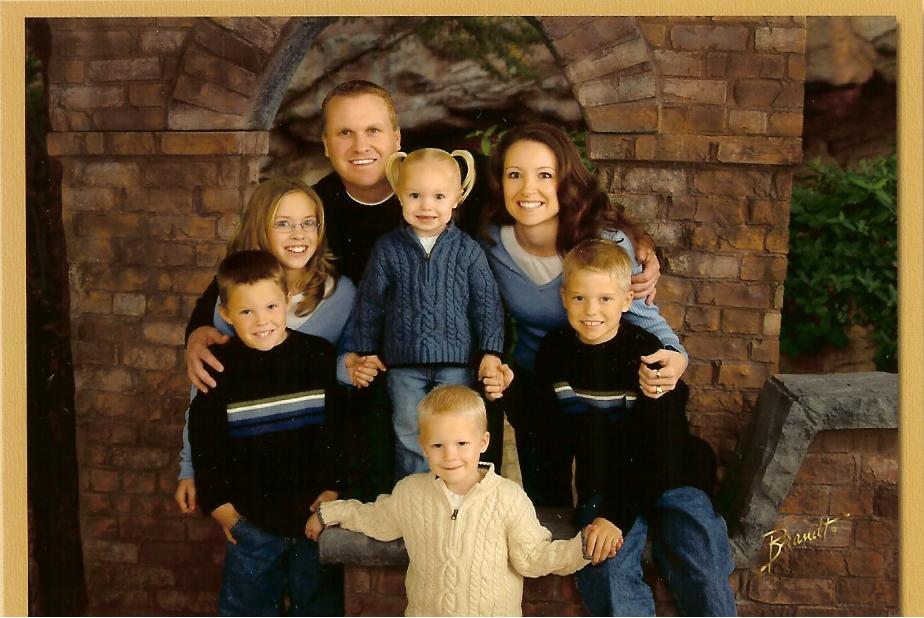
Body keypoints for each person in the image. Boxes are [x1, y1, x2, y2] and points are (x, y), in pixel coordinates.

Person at [478, 122, 687, 506]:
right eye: (514, 175)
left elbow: (644, 314)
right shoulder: (489, 243)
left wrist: (676, 355)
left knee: (606, 501)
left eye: (545, 175)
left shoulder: (605, 243)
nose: (528, 189)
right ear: (499, 182)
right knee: (545, 502)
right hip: (538, 383)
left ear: (566, 181)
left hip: (601, 383)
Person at [535, 239, 736, 617]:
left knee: (702, 559)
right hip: (604, 481)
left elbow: (659, 448)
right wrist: (564, 507)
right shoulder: (555, 352)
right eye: (579, 298)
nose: (591, 310)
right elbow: (549, 437)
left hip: (671, 476)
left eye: (605, 299)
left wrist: (617, 516)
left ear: (627, 300)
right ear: (564, 298)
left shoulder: (649, 353)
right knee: (606, 565)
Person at [308, 385, 613, 617]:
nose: (450, 455)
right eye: (437, 445)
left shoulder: (508, 497)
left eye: (462, 443)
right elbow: (374, 518)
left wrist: (581, 548)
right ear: (423, 447)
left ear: (483, 442)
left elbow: (533, 557)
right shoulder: (410, 493)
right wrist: (329, 512)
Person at [174, 178, 357, 514]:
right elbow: (204, 387)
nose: (298, 235)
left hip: (306, 462)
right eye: (283, 224)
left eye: (308, 223)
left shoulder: (340, 295)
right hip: (246, 466)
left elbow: (340, 373)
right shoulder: (235, 297)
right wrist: (189, 468)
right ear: (260, 229)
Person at [188, 249, 345, 616]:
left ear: (286, 301)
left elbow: (339, 432)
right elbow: (205, 443)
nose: (262, 321)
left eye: (271, 307)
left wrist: (333, 489)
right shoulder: (219, 369)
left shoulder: (317, 356)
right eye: (246, 312)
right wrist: (221, 508)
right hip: (251, 524)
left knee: (319, 609)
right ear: (226, 314)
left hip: (313, 520)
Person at [351, 147, 511, 479]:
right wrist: (366, 349)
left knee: (455, 430)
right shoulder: (388, 249)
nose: (426, 206)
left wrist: (491, 352)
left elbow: (487, 304)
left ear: (456, 198)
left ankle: (453, 492)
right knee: (410, 429)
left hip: (456, 365)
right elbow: (369, 302)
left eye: (438, 196)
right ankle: (415, 493)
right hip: (403, 365)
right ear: (400, 196)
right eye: (415, 195)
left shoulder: (467, 250)